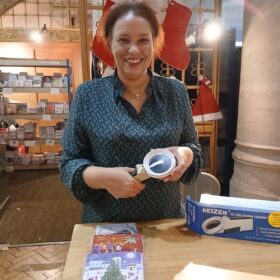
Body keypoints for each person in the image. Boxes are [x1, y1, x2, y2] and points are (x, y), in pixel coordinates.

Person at [60, 1, 203, 223]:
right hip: (107, 224)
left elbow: (193, 149)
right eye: (124, 40)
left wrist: (187, 154)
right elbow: (69, 163)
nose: (134, 50)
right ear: (109, 42)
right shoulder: (88, 95)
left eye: (143, 40)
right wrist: (103, 178)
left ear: (154, 42)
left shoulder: (175, 92)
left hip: (166, 223)